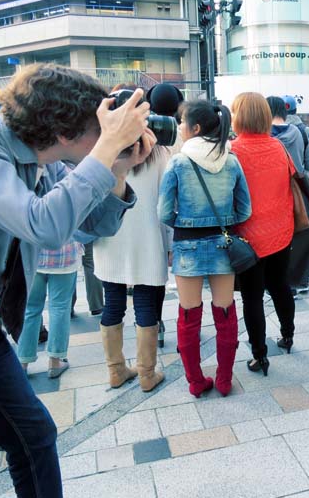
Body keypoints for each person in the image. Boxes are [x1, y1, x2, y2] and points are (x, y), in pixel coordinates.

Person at [0, 63, 154, 497]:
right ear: (65, 132)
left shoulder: (40, 160)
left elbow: (90, 227)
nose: (108, 135)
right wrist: (105, 150)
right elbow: (43, 225)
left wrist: (119, 169)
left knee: (34, 436)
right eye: (100, 127)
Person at [158, 100, 251, 397]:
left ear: (195, 128)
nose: (180, 127)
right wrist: (222, 221)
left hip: (187, 246)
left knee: (188, 315)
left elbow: (162, 213)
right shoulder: (231, 160)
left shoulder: (178, 162)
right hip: (224, 245)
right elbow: (244, 210)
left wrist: (185, 222)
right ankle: (224, 379)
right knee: (225, 313)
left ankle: (196, 382)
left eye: (183, 122)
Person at [94, 83, 183, 392]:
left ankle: (116, 370)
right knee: (146, 302)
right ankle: (147, 373)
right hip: (148, 236)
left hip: (110, 237)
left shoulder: (100, 149)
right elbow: (168, 201)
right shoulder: (158, 151)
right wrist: (171, 243)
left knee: (113, 302)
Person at [231, 92, 296, 376]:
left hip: (248, 238)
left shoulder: (232, 150)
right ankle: (288, 335)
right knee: (280, 285)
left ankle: (260, 355)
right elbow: (292, 178)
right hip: (281, 231)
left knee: (252, 297)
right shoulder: (278, 147)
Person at [268, 95, 309, 296]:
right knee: (297, 238)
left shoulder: (265, 136)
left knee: (276, 240)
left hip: (272, 195)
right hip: (296, 195)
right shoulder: (300, 132)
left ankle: (278, 282)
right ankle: (297, 281)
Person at [17, 240, 83, 378]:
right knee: (60, 308)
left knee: (30, 310)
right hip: (65, 256)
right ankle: (55, 362)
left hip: (33, 256)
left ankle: (23, 362)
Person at [283, 94, 309, 185]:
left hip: (280, 183)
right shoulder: (305, 130)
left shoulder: (272, 132)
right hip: (301, 182)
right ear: (296, 110)